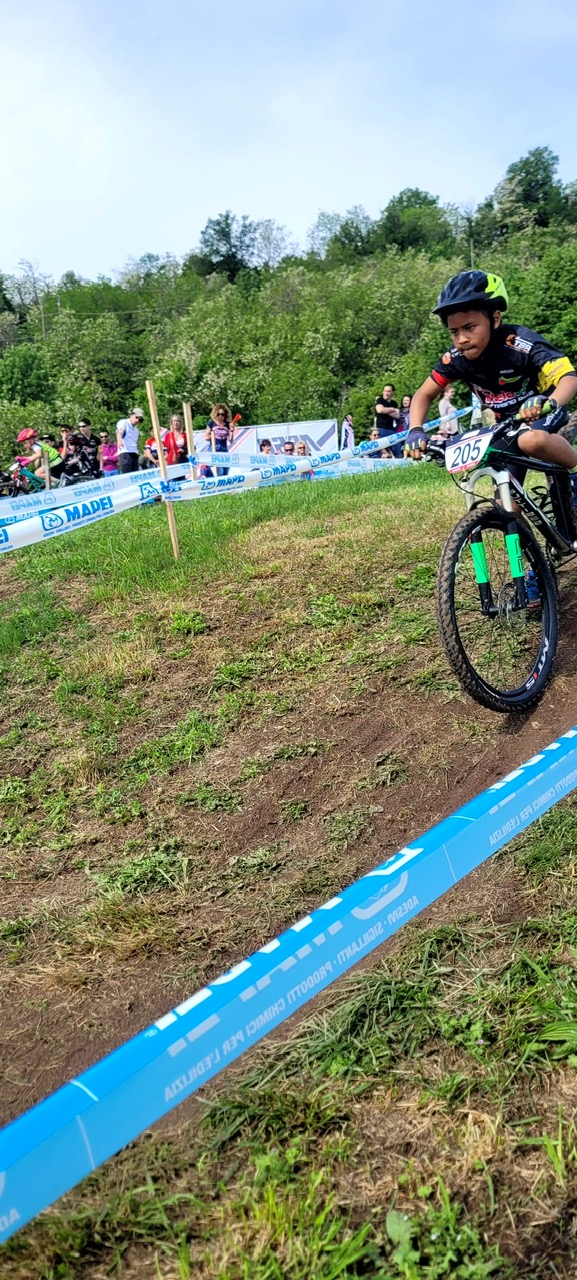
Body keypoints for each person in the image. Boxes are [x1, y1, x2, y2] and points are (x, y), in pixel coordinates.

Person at [405, 273, 577, 490]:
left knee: (531, 441)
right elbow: (424, 394)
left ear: (495, 319)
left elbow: (569, 378)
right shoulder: (455, 358)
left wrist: (550, 402)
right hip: (506, 422)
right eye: (454, 332)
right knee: (507, 503)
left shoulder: (518, 342)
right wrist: (415, 429)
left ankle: (575, 473)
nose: (462, 339)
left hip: (543, 408)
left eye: (469, 327)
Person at [205, 403, 234, 476]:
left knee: (226, 471)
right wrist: (213, 436)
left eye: (222, 414)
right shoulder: (211, 423)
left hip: (224, 449)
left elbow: (230, 440)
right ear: (215, 414)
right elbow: (206, 437)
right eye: (218, 414)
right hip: (214, 448)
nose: (220, 416)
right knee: (219, 471)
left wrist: (231, 431)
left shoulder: (227, 424)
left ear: (225, 415)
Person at [116, 407, 144, 474]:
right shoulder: (124, 422)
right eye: (136, 417)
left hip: (134, 452)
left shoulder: (136, 430)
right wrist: (119, 440)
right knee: (126, 473)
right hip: (125, 451)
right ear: (132, 415)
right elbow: (120, 432)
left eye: (140, 419)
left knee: (135, 474)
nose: (137, 420)